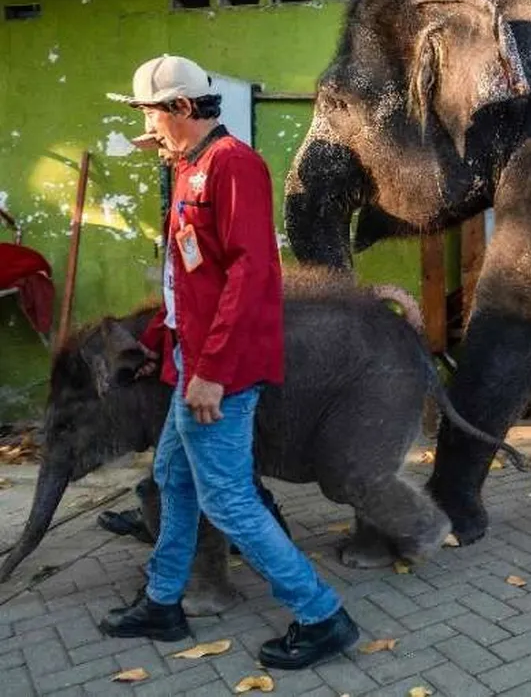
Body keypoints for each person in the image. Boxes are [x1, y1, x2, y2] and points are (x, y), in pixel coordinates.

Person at [98, 55, 359, 669]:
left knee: (228, 500)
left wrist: (210, 370)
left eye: (151, 113)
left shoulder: (233, 166)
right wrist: (168, 346)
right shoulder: (194, 165)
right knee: (175, 481)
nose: (147, 127)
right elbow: (191, 275)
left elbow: (251, 273)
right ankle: (164, 601)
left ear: (183, 108)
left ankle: (321, 615)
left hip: (220, 366)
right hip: (193, 356)